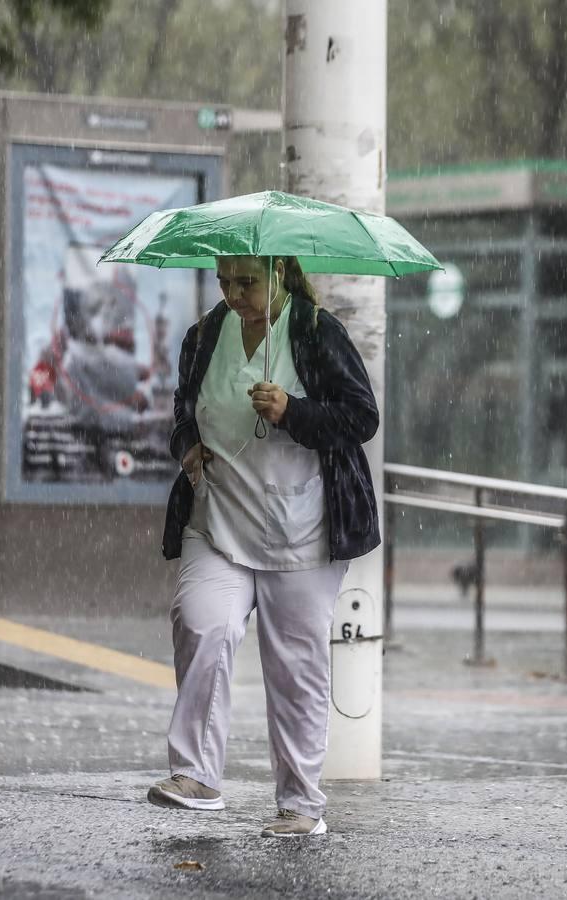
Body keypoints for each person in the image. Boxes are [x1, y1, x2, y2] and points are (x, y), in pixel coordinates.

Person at [148, 254, 380, 838]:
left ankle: (301, 805)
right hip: (219, 518)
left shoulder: (315, 332)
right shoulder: (204, 335)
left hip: (302, 529)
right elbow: (183, 407)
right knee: (201, 622)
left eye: (247, 282)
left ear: (279, 272)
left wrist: (292, 411)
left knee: (294, 665)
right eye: (225, 281)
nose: (234, 294)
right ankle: (197, 774)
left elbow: (361, 417)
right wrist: (186, 446)